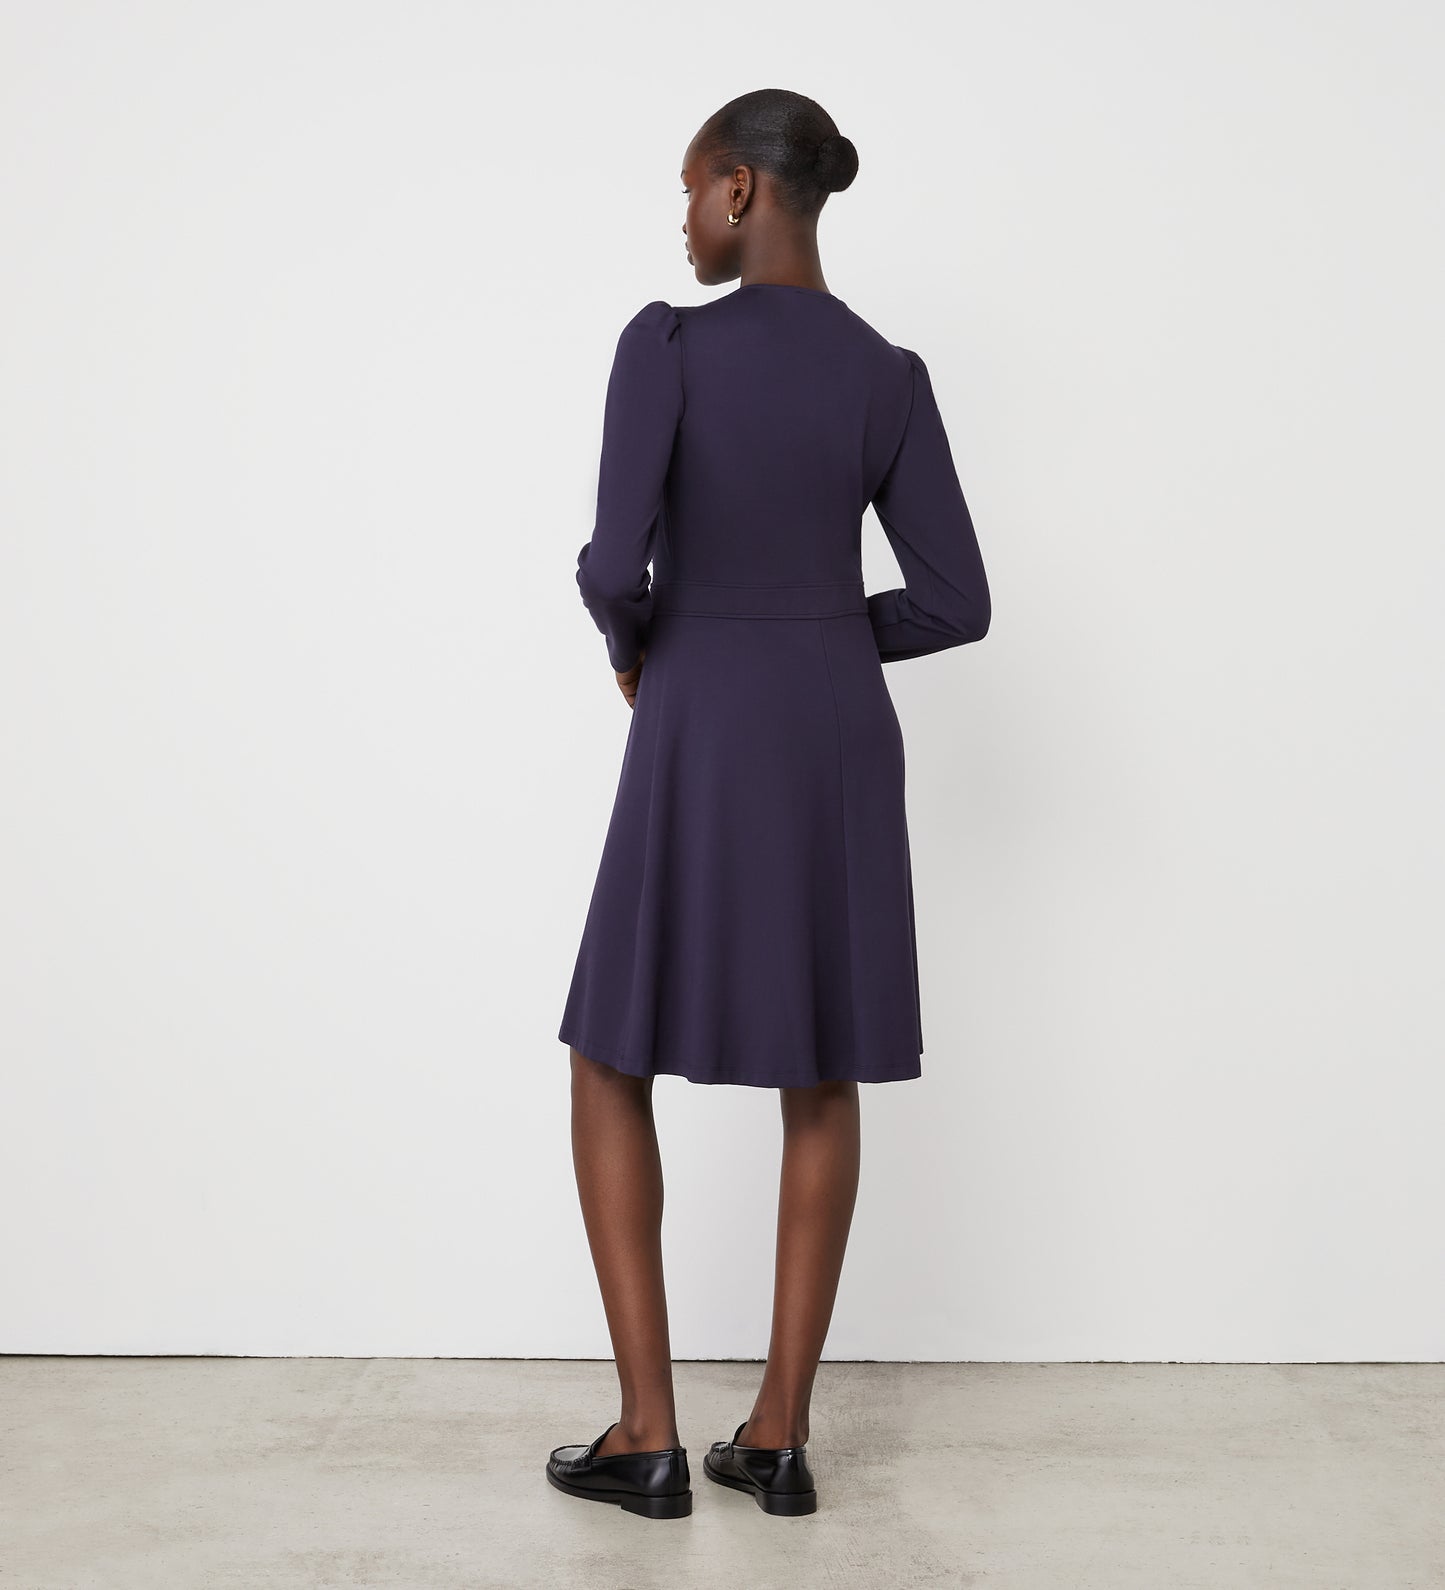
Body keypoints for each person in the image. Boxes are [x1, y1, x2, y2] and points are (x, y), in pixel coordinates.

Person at [546, 88, 991, 1521]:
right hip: (837, 732)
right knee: (823, 1063)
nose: (680, 220)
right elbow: (953, 600)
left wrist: (640, 648)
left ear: (741, 189)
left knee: (611, 1049)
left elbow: (618, 560)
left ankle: (648, 1432)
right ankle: (780, 1433)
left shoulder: (664, 346)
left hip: (697, 716)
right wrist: (818, 627)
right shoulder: (888, 371)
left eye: (689, 191)